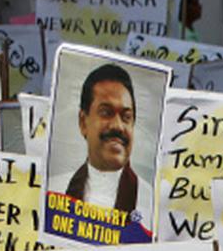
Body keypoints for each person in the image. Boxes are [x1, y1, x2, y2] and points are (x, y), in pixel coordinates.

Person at [52, 63, 152, 219]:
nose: (118, 126)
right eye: (106, 113)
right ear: (83, 122)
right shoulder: (53, 193)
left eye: (126, 117)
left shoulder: (152, 204)